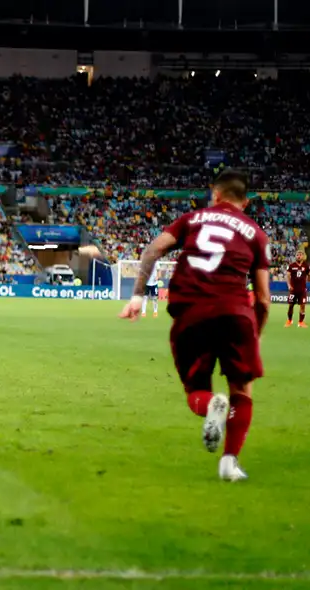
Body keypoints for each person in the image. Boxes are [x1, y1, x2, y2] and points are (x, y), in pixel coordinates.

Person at [119, 170, 270, 482]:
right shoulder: (257, 234)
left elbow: (153, 250)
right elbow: (264, 297)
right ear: (246, 201)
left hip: (191, 313)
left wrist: (136, 297)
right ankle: (229, 463)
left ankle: (210, 404)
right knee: (242, 389)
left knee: (197, 390)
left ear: (214, 194)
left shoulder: (191, 219)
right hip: (235, 313)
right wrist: (256, 332)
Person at [285, 250, 308, 328]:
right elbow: (287, 276)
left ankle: (301, 322)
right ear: (296, 256)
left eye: (301, 255)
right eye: (297, 254)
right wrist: (289, 285)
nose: (299, 256)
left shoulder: (306, 266)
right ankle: (289, 321)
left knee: (303, 306)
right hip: (293, 290)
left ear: (303, 256)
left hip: (302, 290)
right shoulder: (291, 265)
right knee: (291, 305)